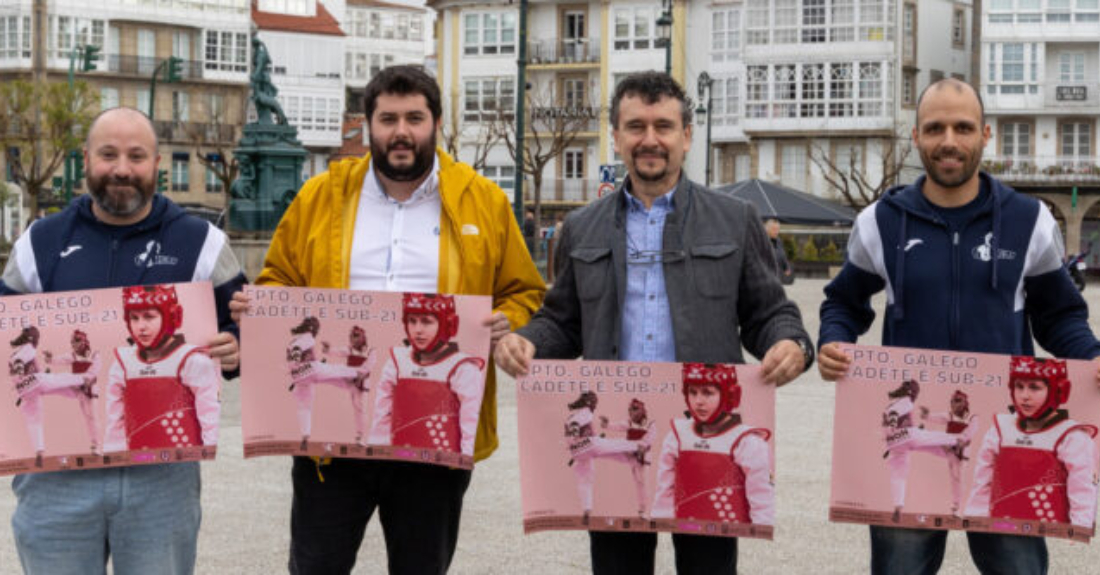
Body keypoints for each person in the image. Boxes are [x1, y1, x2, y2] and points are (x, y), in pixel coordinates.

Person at [230, 65, 544, 574]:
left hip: (433, 435)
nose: (401, 132)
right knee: (315, 567)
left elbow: (522, 290)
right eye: (388, 118)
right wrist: (262, 308)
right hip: (332, 437)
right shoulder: (320, 196)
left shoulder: (483, 201)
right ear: (368, 125)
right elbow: (278, 277)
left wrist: (506, 323)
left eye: (415, 118)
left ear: (436, 122)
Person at [495, 71, 813, 575]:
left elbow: (768, 312)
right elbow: (562, 322)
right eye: (635, 126)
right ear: (616, 137)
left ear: (686, 136)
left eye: (663, 126)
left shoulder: (734, 219)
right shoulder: (582, 226)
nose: (650, 139)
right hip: (616, 433)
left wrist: (791, 343)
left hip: (706, 433)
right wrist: (527, 342)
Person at [817, 77, 1100, 575]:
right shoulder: (878, 222)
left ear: (985, 135)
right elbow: (844, 303)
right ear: (916, 137)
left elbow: (1059, 316)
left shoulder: (1029, 220)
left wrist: (1092, 355)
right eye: (936, 128)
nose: (949, 140)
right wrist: (833, 342)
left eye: (963, 127)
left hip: (1007, 433)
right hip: (910, 431)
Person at [0, 106, 245, 574]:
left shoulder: (204, 243)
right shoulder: (39, 242)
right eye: (108, 154)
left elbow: (243, 328)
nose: (122, 169)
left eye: (137, 156)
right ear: (86, 159)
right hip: (55, 474)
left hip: (161, 476)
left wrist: (235, 349)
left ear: (157, 164)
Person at [965, 357, 1097, 528]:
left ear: (1059, 391)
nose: (1024, 396)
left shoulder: (1072, 436)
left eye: (1034, 387)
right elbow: (982, 482)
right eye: (1019, 387)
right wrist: (975, 520)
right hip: (1000, 526)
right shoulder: (1000, 429)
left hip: (1052, 530)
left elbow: (1082, 488)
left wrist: (1080, 528)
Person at [651, 363, 774, 526]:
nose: (698, 401)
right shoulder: (677, 436)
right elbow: (665, 491)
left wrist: (762, 527)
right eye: (692, 393)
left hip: (729, 528)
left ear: (730, 396)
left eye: (708, 393)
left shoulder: (747, 442)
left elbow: (761, 497)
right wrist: (660, 521)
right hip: (684, 524)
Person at [103, 284, 221, 452]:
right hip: (137, 458)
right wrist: (114, 458)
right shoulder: (122, 364)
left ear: (171, 317)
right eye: (134, 318)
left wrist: (209, 453)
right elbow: (115, 422)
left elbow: (210, 416)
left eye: (149, 317)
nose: (141, 326)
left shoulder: (193, 361)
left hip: (183, 458)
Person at [368, 293, 484, 456]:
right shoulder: (396, 362)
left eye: (427, 321)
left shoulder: (463, 368)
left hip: (444, 462)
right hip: (399, 458)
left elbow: (470, 422)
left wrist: (465, 459)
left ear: (448, 325)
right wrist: (376, 453)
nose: (418, 330)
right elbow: (382, 416)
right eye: (412, 321)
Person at [10, 327, 98, 467]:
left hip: (23, 390)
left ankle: (39, 450)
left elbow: (21, 369)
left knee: (33, 420)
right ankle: (83, 381)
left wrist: (22, 374)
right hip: (34, 380)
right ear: (33, 338)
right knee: (59, 380)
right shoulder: (28, 346)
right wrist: (20, 369)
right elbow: (20, 360)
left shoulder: (14, 353)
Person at [879, 379, 964, 523]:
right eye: (915, 393)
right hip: (908, 435)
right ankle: (957, 440)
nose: (915, 396)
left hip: (894, 444)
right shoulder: (906, 400)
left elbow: (886, 427)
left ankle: (898, 506)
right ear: (911, 392)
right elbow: (895, 414)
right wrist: (894, 423)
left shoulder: (888, 406)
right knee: (930, 437)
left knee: (898, 475)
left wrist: (891, 433)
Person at [286, 317, 375, 450]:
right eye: (317, 328)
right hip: (312, 369)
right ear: (312, 328)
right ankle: (357, 374)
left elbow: (295, 359)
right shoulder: (308, 336)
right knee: (336, 371)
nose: (317, 331)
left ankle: (305, 435)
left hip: (299, 377)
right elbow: (297, 351)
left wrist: (295, 367)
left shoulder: (292, 340)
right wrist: (296, 361)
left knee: (304, 406)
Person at [563, 391, 648, 524]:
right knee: (612, 445)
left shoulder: (570, 416)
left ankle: (587, 508)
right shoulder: (586, 411)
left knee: (584, 479)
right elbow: (576, 426)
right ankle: (638, 446)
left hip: (577, 452)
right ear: (590, 402)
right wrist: (577, 435)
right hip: (590, 444)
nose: (595, 405)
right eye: (594, 402)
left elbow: (570, 437)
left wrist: (574, 444)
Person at [42, 329, 103, 456]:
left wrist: (86, 382)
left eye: (76, 341)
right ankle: (42, 387)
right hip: (76, 388)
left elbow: (94, 371)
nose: (73, 344)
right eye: (72, 342)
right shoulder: (72, 356)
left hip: (89, 390)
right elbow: (58, 360)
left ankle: (96, 445)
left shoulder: (95, 355)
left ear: (83, 341)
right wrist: (49, 358)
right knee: (61, 381)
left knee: (91, 417)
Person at [919, 389, 978, 517]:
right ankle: (917, 438)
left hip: (960, 453)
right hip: (948, 447)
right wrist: (926, 415)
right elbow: (937, 417)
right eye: (952, 402)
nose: (953, 404)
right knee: (931, 440)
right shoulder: (949, 415)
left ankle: (957, 507)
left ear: (964, 403)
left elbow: (969, 434)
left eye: (957, 401)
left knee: (957, 479)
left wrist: (959, 443)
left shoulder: (972, 418)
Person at [600, 397, 655, 517]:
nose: (631, 412)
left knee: (641, 483)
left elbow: (648, 441)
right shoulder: (629, 422)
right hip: (629, 453)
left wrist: (641, 448)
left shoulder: (650, 424)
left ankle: (644, 510)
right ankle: (598, 447)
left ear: (642, 410)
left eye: (634, 409)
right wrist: (606, 424)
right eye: (630, 409)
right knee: (615, 446)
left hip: (642, 458)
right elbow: (618, 426)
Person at [764, 218, 793, 285]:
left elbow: (782, 254)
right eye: (774, 229)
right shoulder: (762, 241)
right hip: (766, 278)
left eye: (777, 229)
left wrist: (786, 267)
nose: (776, 231)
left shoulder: (778, 241)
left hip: (778, 276)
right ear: (767, 229)